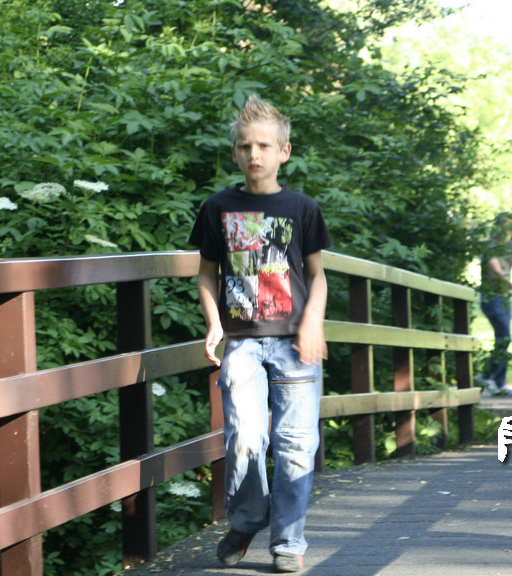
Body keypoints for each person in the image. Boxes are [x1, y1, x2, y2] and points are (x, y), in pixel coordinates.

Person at [188, 95, 332, 573]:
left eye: (265, 146)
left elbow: (318, 275)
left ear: (283, 152)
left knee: (296, 446)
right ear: (235, 153)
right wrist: (213, 322)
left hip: (294, 342)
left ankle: (288, 542)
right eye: (246, 146)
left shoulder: (302, 208)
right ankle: (249, 519)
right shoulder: (218, 207)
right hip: (242, 341)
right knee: (246, 439)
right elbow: (206, 274)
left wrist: (312, 322)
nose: (255, 154)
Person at [476, 212, 512, 397]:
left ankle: (492, 379)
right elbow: (498, 272)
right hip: (491, 298)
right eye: (505, 225)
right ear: (498, 226)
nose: (508, 230)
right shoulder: (490, 247)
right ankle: (492, 379)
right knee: (504, 337)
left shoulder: (511, 247)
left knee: (504, 339)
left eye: (510, 226)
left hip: (505, 299)